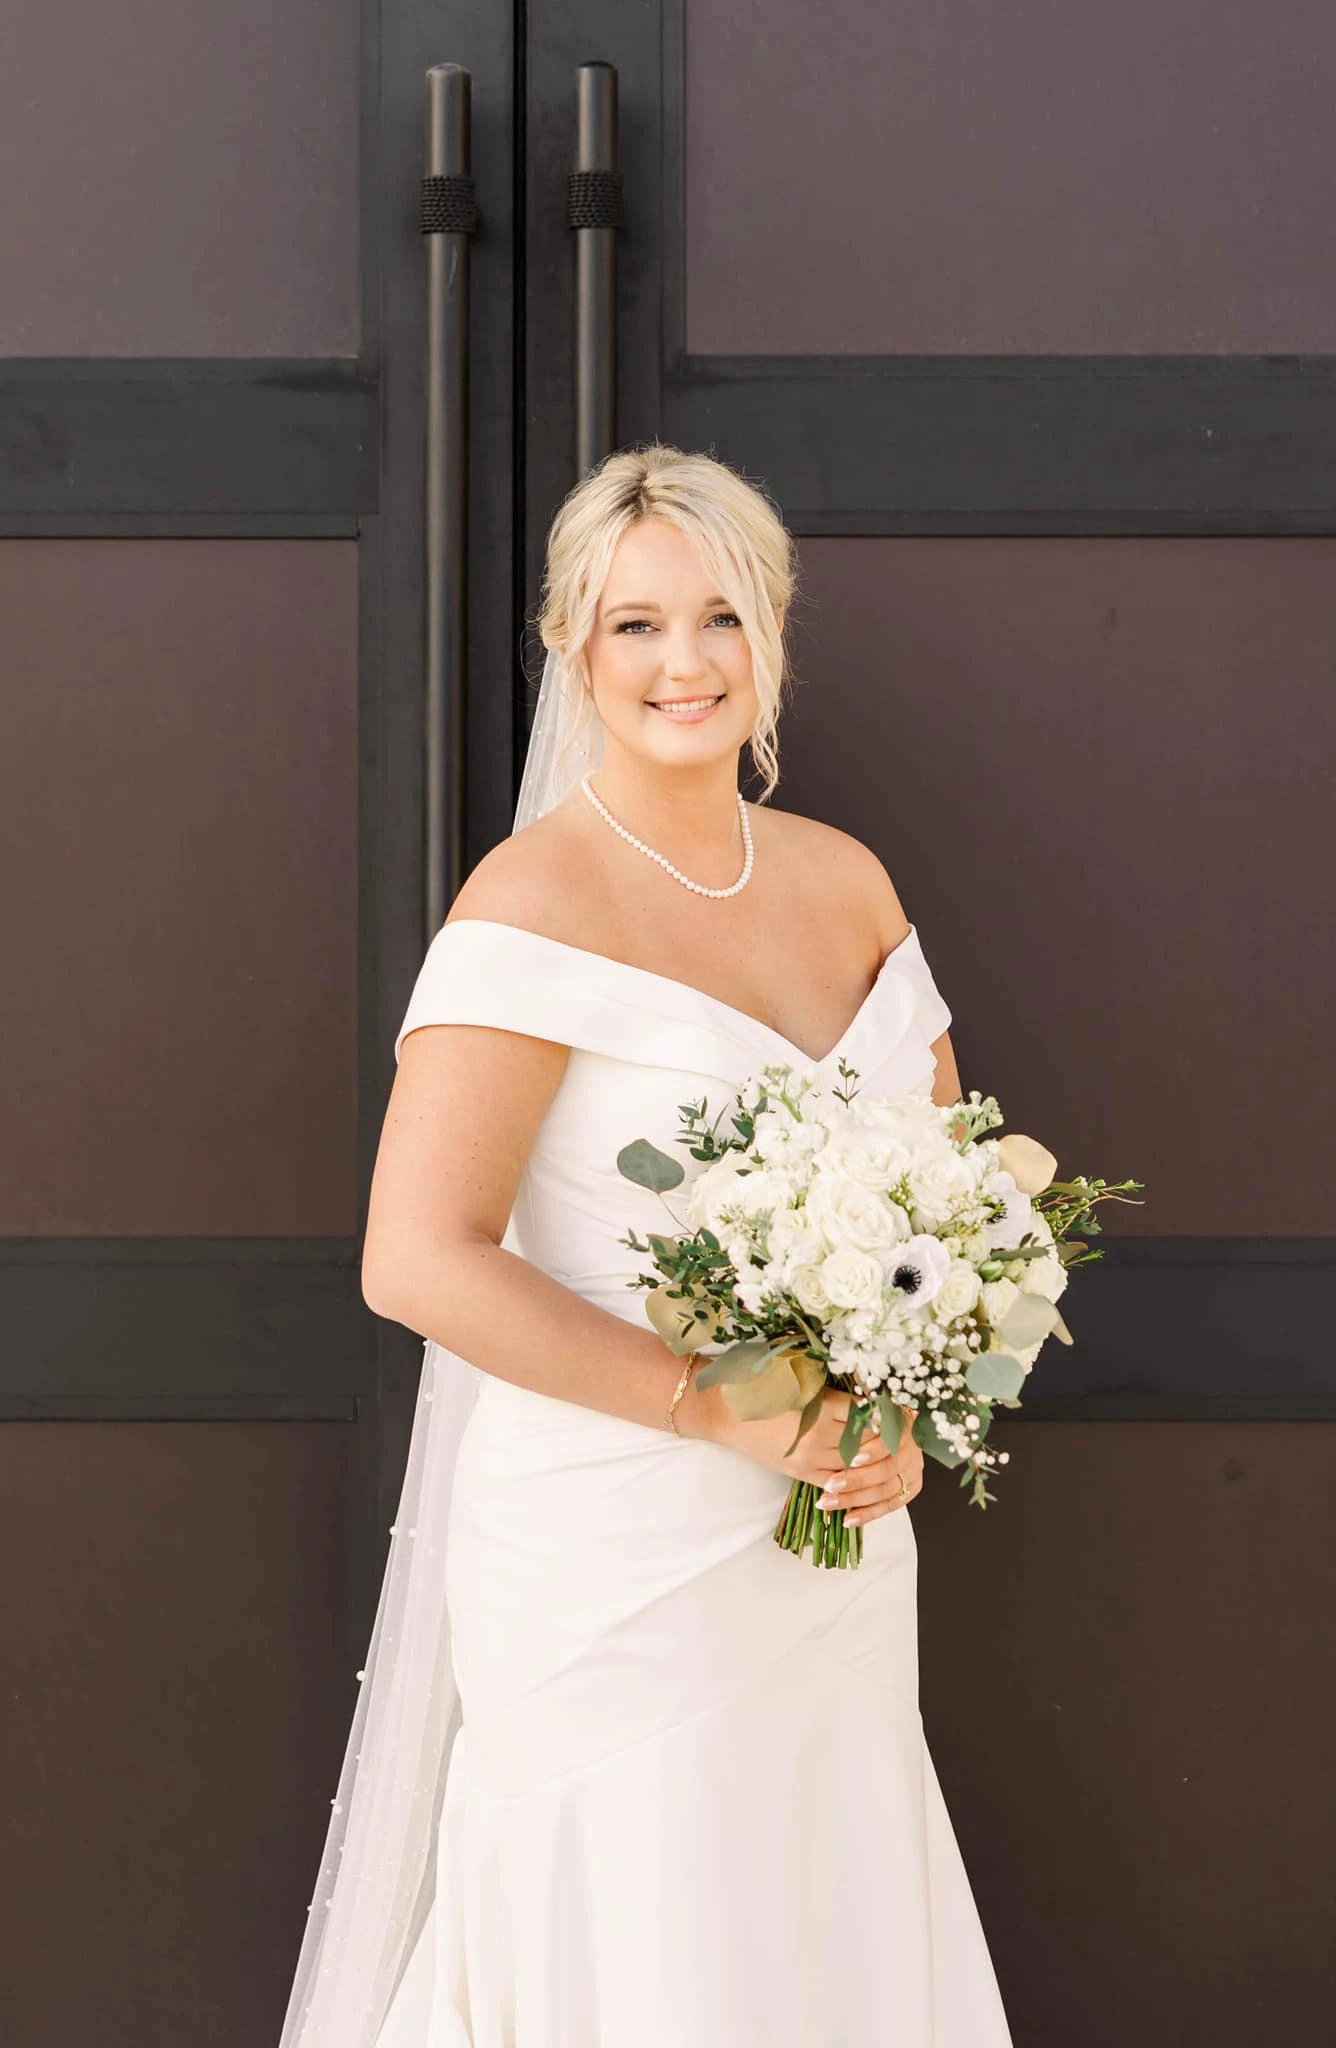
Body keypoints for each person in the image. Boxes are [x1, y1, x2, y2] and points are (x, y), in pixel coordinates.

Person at [276, 443, 1013, 2047]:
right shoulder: (529, 899)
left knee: (811, 1915)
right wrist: (721, 1402)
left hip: (825, 1533)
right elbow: (415, 1257)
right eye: (633, 626)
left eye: (720, 619)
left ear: (770, 637)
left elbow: (956, 1202)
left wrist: (893, 1412)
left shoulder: (846, 878)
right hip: (615, 1544)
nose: (683, 663)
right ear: (570, 647)